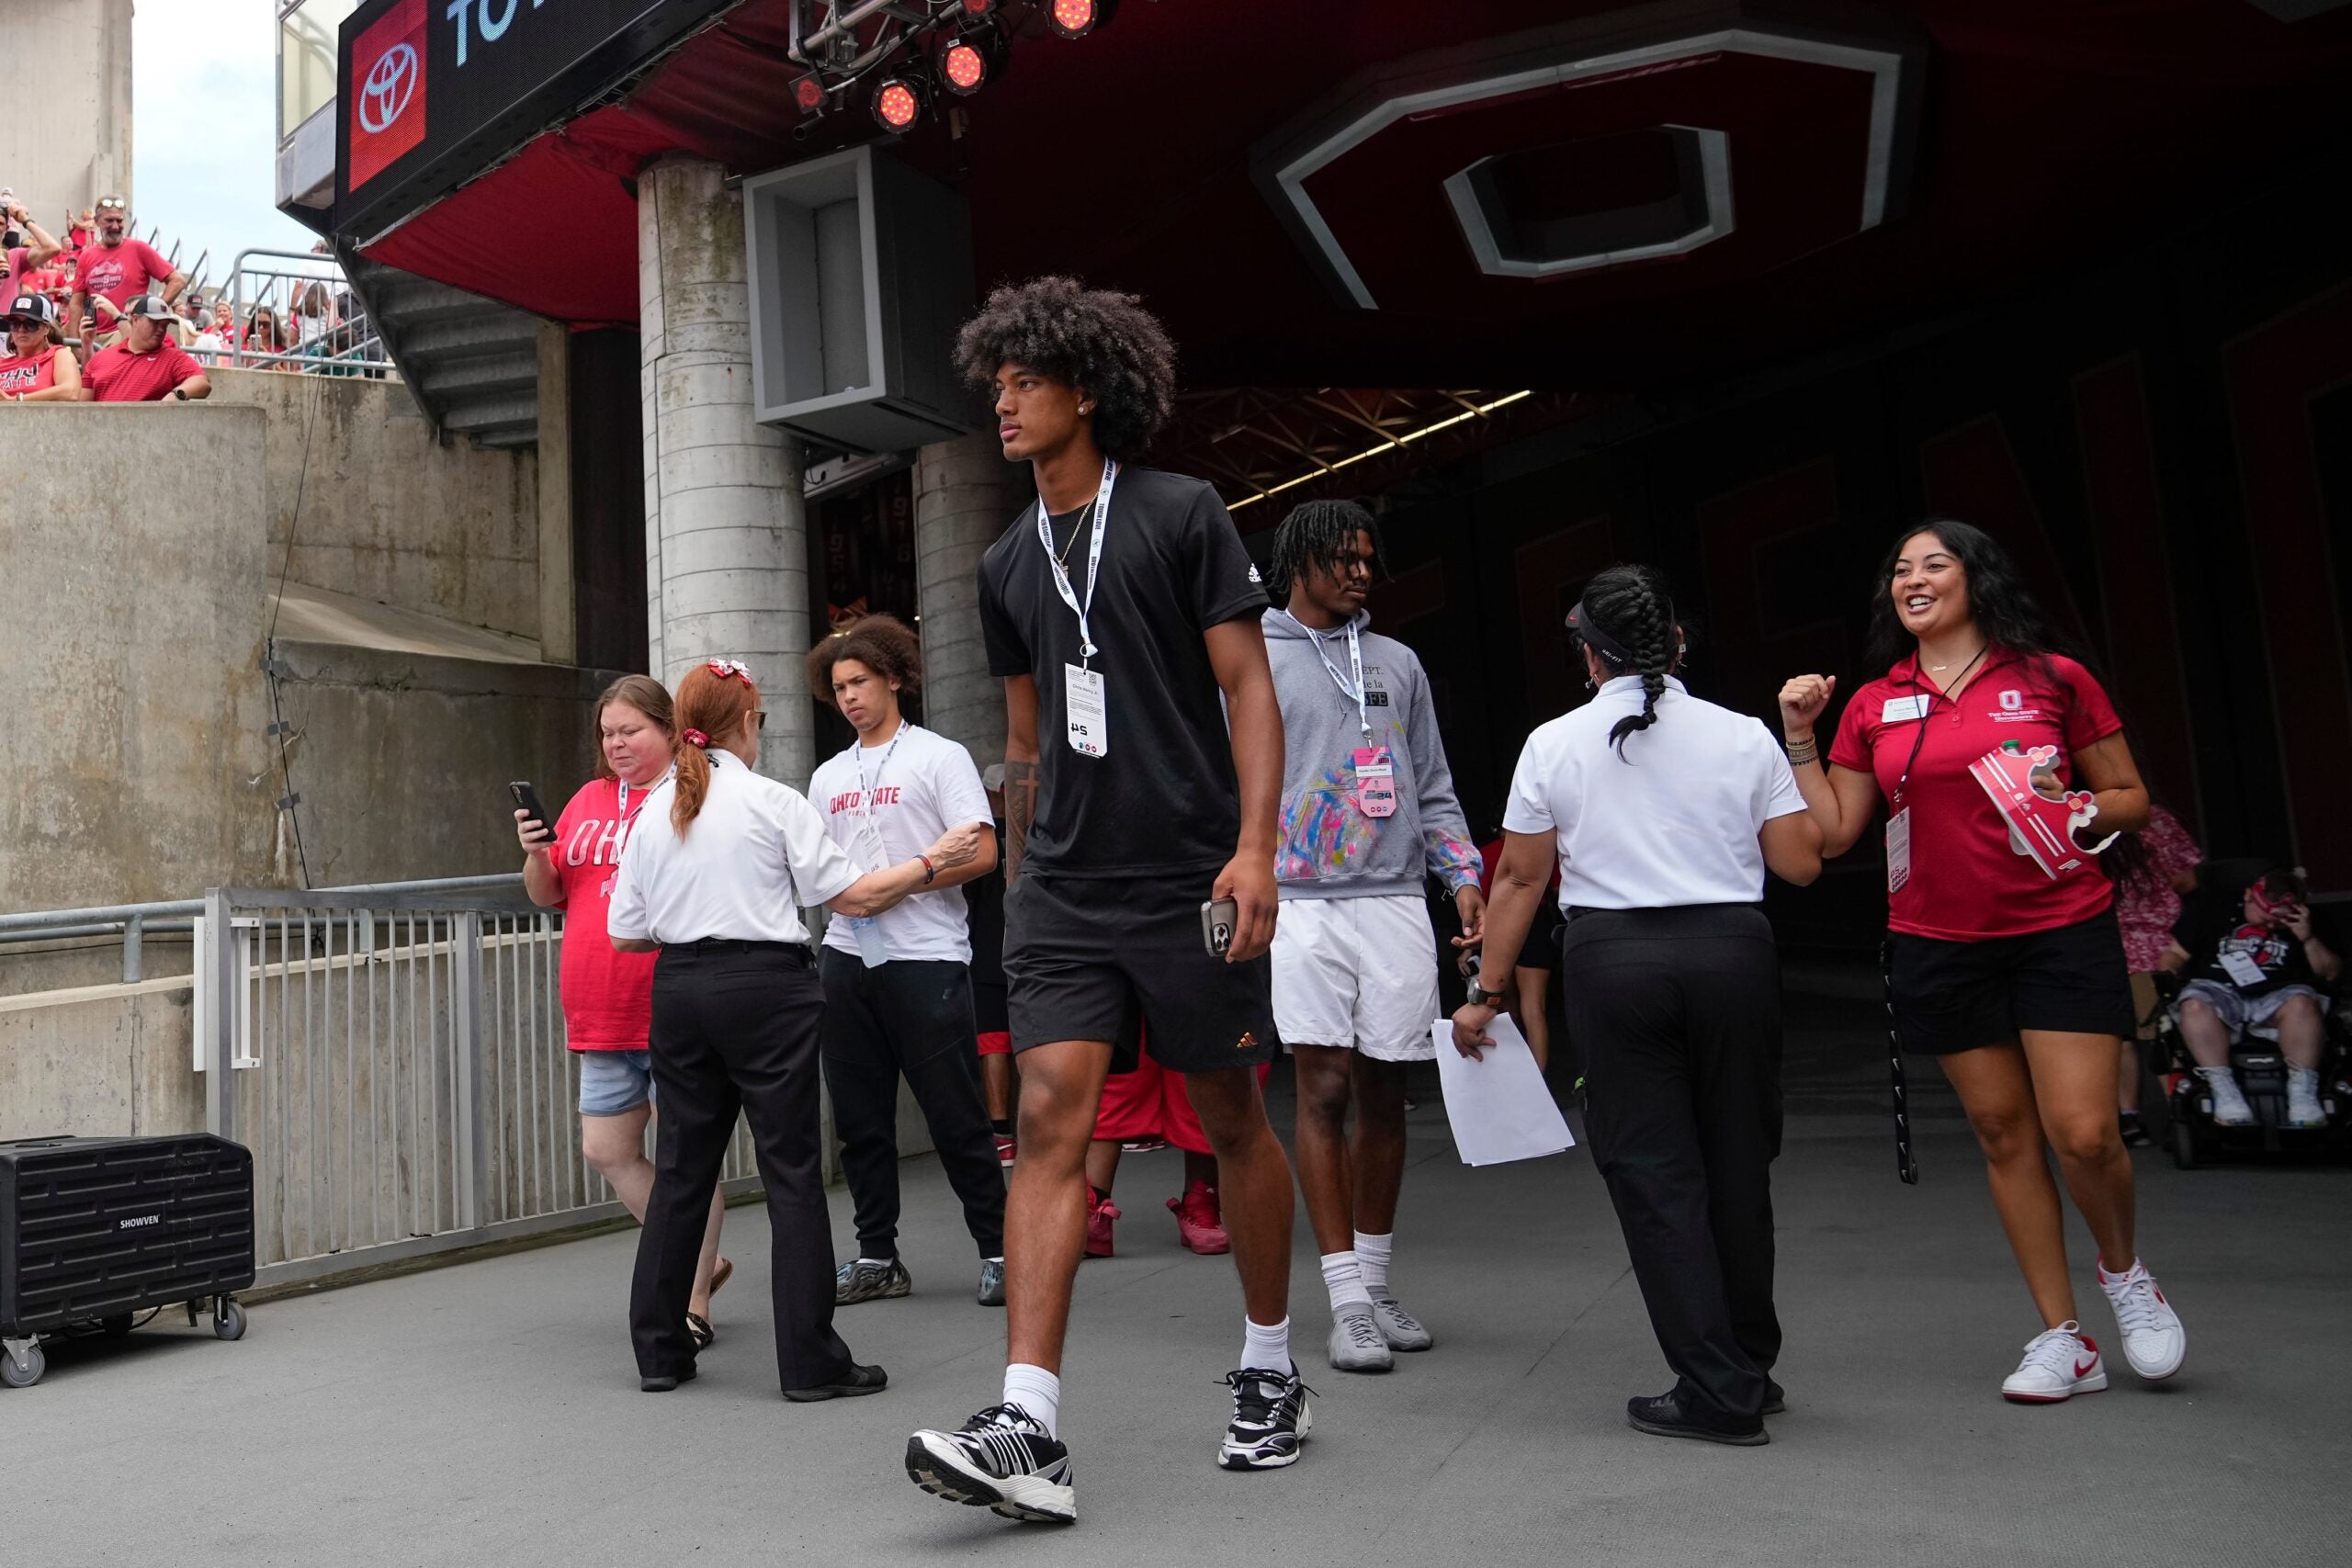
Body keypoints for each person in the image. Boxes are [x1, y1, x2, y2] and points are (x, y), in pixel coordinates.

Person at [904, 276, 1300, 1526]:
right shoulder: (1006, 560)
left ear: (1090, 388)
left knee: (1230, 1112)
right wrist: (1024, 880)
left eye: (1027, 380)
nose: (1006, 402)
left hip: (1189, 872)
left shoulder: (1183, 512)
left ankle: (1273, 1361)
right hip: (1066, 890)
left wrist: (1255, 850)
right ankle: (1029, 1417)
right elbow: (1025, 742)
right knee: (1050, 1113)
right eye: (998, 383)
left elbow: (1248, 690)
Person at [1778, 518, 2186, 1404]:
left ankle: (2126, 1276)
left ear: (1977, 578)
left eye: (1934, 563)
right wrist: (1799, 733)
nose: (1912, 578)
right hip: (1938, 940)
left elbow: (2130, 797)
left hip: (2058, 924)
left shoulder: (2049, 676)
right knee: (2004, 1134)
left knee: (2083, 1130)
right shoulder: (1874, 702)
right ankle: (2062, 1336)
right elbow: (1839, 829)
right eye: (1899, 569)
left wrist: (2071, 809)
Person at [1455, 564, 1822, 1446]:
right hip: (1734, 953)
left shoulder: (1552, 743)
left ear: (1589, 656)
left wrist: (1486, 993)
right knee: (1738, 1158)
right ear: (1679, 643)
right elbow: (1802, 863)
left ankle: (1715, 1387)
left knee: (1656, 1174)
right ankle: (1750, 1362)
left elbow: (1520, 877)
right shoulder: (1742, 736)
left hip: (1615, 962)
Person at [606, 657, 982, 1400]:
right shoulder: (771, 801)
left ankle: (659, 1350)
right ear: (747, 721)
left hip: (680, 988)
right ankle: (808, 1361)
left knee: (683, 1168)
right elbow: (855, 897)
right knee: (789, 1174)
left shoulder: (653, 809)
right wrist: (931, 860)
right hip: (766, 989)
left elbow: (627, 932)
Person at [1262, 498, 1484, 1374]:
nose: (1361, 573)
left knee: (1386, 1092)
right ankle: (1345, 1296)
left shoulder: (1398, 660)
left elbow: (1431, 779)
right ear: (1299, 560)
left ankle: (1379, 1280)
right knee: (1319, 1089)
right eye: (1344, 559)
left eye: (1367, 559)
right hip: (1299, 898)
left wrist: (1461, 872)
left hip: (1393, 893)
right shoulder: (1253, 655)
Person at [516, 675, 731, 1352]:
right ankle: (698, 1255)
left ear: (668, 731)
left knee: (684, 1157)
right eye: (607, 732)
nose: (615, 743)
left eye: (629, 730)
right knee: (606, 1149)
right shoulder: (585, 800)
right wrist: (532, 851)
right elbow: (549, 890)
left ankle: (692, 1297)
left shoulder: (693, 797)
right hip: (599, 1012)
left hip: (672, 1006)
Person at [803, 615, 1009, 1309]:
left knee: (956, 1114)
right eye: (838, 688)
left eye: (860, 680)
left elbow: (982, 851)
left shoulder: (938, 756)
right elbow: (815, 871)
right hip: (844, 959)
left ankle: (1001, 1248)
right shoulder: (827, 776)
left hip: (926, 956)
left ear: (894, 677)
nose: (850, 697)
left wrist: (902, 882)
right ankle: (877, 1254)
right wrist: (853, 895)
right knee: (860, 1121)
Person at [2167, 861, 2339, 1129]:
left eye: (2278, 920)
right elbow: (2175, 954)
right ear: (2249, 894)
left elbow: (2329, 973)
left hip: (2280, 993)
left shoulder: (2305, 920)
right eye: (2265, 915)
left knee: (2303, 1003)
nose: (2271, 924)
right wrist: (2167, 976)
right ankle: (2224, 1091)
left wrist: (2306, 938)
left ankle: (2303, 1092)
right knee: (2194, 1004)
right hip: (2220, 990)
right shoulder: (2211, 909)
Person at [2110, 803, 2201, 1145]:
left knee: (2127, 1036)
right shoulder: (2153, 817)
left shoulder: (2076, 816)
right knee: (2159, 1031)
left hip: (2113, 939)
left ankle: (2131, 1117)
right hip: (2156, 940)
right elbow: (2189, 877)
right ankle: (2178, 1114)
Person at [1475, 833, 1560, 1072]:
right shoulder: (1542, 848)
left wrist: (1471, 947)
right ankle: (1538, 1080)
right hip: (1535, 919)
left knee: (1503, 1003)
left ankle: (1513, 1071)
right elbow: (1557, 889)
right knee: (1534, 1006)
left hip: (1496, 921)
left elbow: (1478, 901)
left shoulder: (1486, 852)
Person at [971, 764, 1017, 1167]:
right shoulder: (1036, 833)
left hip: (987, 953)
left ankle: (1002, 1133)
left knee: (995, 1044)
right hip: (1032, 948)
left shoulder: (979, 840)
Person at [68, 197, 185, 355]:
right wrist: (75, 343)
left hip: (125, 333)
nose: (115, 226)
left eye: (120, 221)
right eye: (109, 220)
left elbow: (177, 281)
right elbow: (76, 303)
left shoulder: (139, 248)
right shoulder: (86, 256)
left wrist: (153, 314)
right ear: (96, 221)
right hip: (92, 335)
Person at [80, 297, 209, 402]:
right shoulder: (101, 357)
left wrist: (176, 394)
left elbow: (202, 382)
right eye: (155, 323)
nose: (161, 329)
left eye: (165, 325)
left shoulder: (174, 358)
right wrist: (87, 345)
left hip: (146, 429)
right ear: (135, 320)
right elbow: (83, 407)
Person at [1, 294, 83, 401]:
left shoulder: (58, 355)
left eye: (30, 324)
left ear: (46, 328)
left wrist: (15, 400)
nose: (21, 329)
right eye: (15, 324)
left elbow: (70, 391)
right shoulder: (2, 362)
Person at [3, 199, 62, 295]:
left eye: (1, 224)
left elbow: (53, 248)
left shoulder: (15, 256)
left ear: (7, 228)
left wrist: (25, 220)